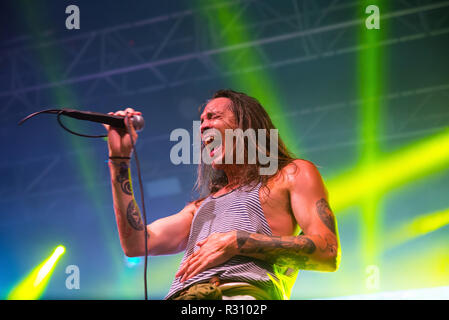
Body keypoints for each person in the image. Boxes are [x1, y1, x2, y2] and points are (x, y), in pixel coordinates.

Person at [105, 89, 340, 300]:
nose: (203, 126)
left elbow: (327, 252)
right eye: (201, 121)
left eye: (214, 117)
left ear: (246, 127)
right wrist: (119, 160)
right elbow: (137, 244)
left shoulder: (291, 174)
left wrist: (239, 241)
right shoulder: (201, 207)